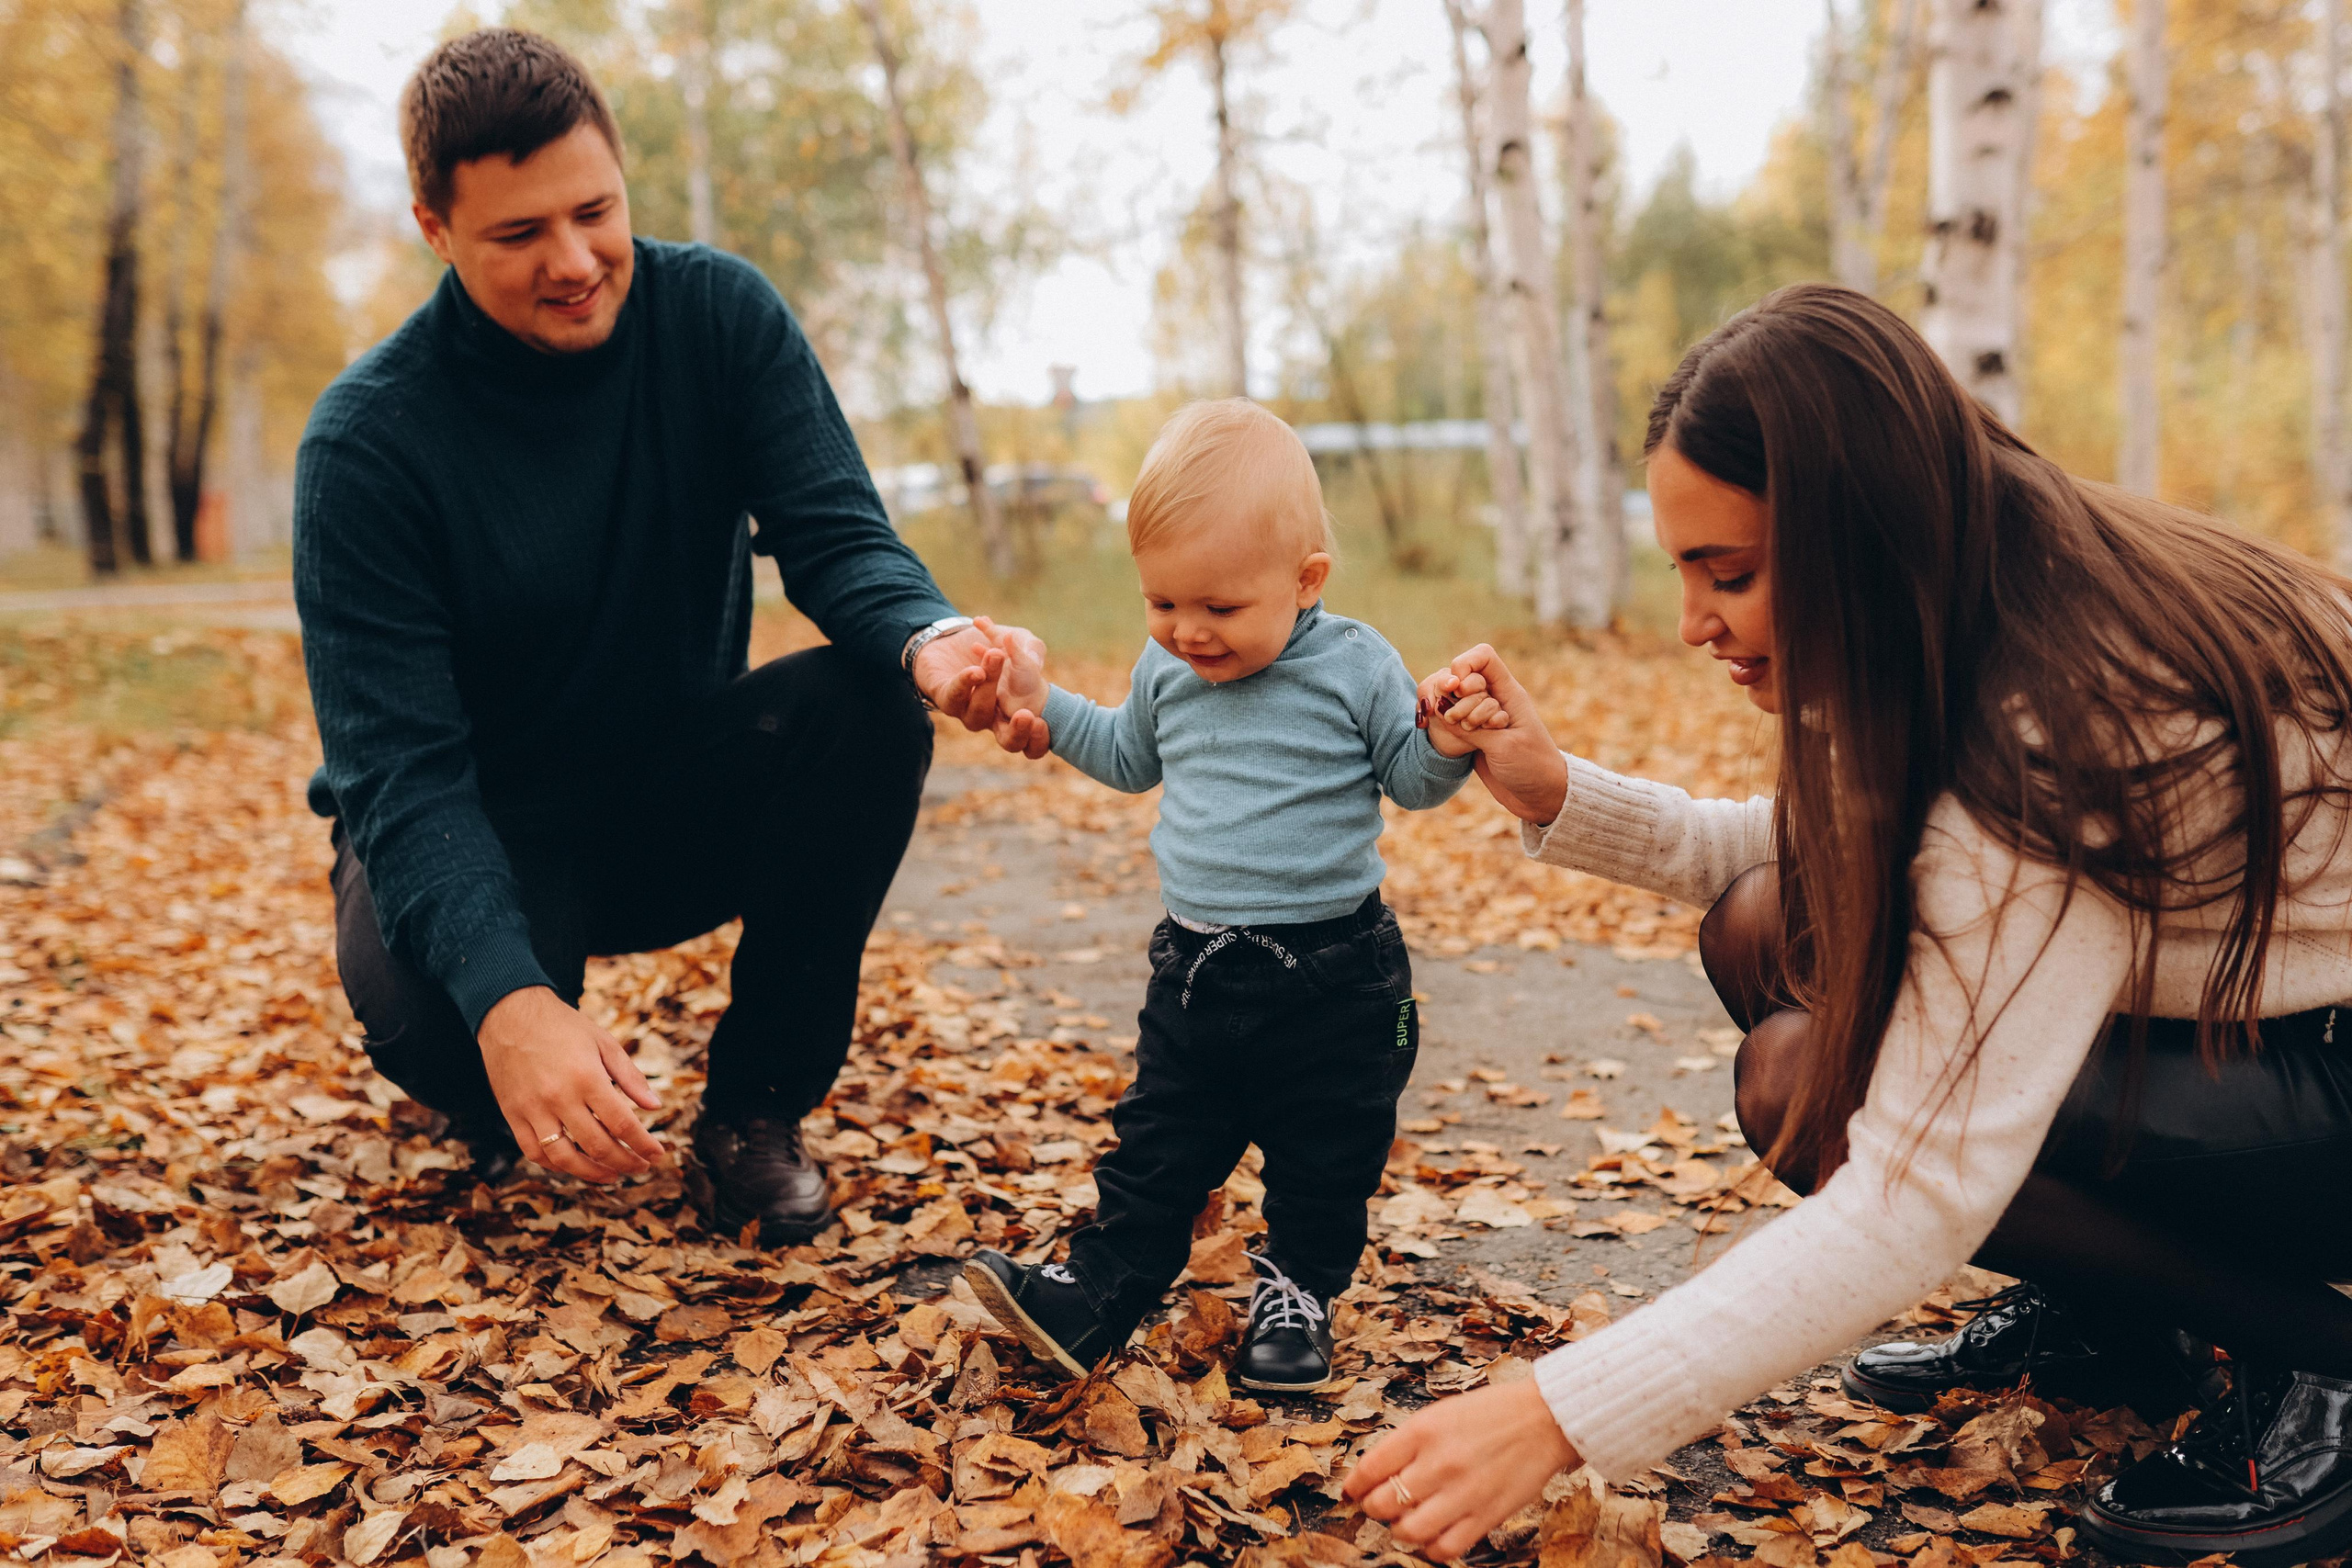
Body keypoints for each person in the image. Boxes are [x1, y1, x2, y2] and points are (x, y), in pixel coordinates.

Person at [1344, 284, 2352, 1568]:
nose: (1693, 622)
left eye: (1734, 573)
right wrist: (1558, 792)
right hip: (2275, 1035)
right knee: (1770, 926)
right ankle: (2118, 1322)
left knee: (1815, 1074)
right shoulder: (1965, 589)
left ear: (1853, 532)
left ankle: (2320, 1360)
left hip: (2333, 1064)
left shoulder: (2061, 714)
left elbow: (1914, 1193)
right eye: (1687, 570)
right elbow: (1822, 845)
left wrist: (1556, 1409)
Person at [293, 28, 1044, 1244]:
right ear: (435, 229)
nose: (577, 259)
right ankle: (512, 1037)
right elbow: (406, 775)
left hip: (660, 793)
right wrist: (510, 1004)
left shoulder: (717, 319)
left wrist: (936, 639)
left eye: (595, 210)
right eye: (520, 234)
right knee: (458, 1040)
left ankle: (755, 1112)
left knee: (866, 707)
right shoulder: (368, 446)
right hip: (475, 821)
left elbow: (840, 538)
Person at [957, 399, 1476, 1392]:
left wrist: (1447, 743)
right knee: (1157, 1142)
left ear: (1305, 579)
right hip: (1193, 970)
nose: (1188, 633)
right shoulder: (1169, 669)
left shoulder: (1355, 664)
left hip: (1336, 976)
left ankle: (1296, 1296)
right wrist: (1038, 699)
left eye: (1220, 610)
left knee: (1325, 1152)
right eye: (1162, 604)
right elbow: (1121, 753)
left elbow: (1407, 780)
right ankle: (1098, 1295)